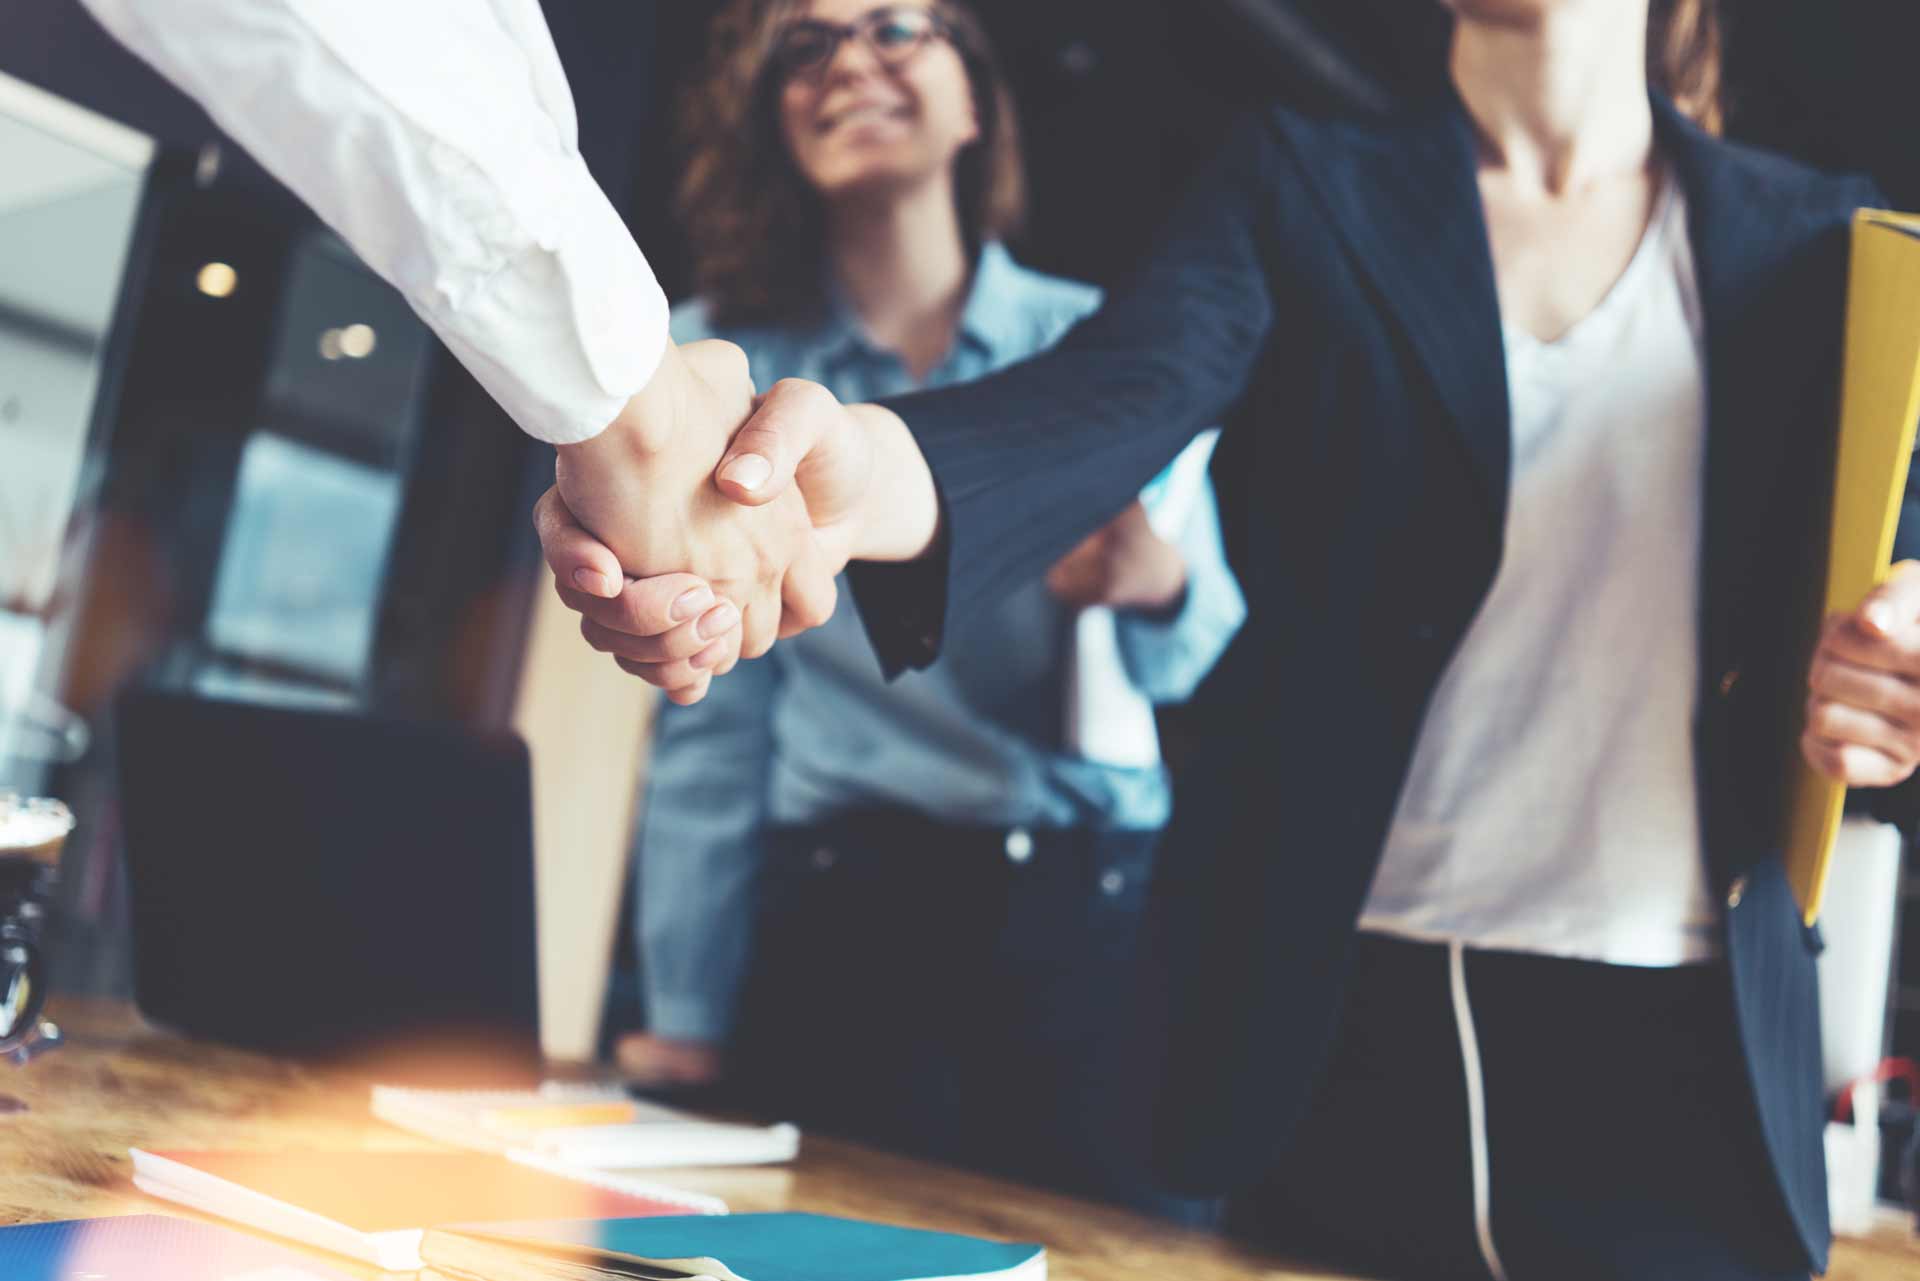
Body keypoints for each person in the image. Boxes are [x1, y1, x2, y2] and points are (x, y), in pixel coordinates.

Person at [539, 0, 1920, 1276]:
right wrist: (856, 471)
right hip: (1334, 1031)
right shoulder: (1303, 182)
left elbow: (1878, 594)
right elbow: (1100, 404)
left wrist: (1893, 663)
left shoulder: (1816, 242)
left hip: (1676, 1050)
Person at [618, 0, 1241, 1218]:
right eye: (804, 45)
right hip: (847, 911)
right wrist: (682, 1008)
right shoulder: (721, 368)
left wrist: (1153, 582)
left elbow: (1191, 661)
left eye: (898, 27)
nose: (848, 58)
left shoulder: (1098, 345)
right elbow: (709, 721)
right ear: (773, 118)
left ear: (974, 101)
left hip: (1091, 912)